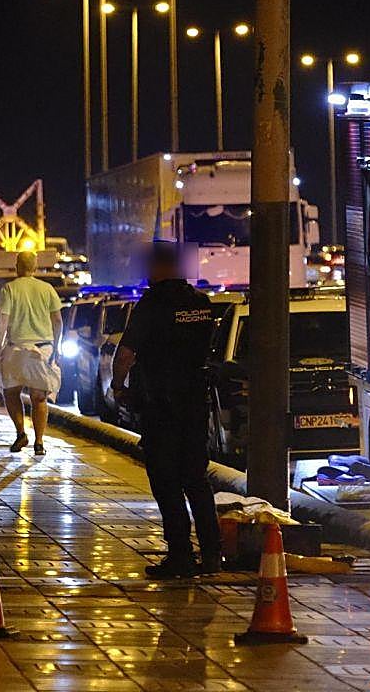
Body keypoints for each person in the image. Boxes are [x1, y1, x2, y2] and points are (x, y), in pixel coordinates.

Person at [111, 241, 222, 579]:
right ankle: (213, 555)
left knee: (167, 483)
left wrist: (118, 387)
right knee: (197, 480)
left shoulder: (152, 305)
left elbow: (126, 354)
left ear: (158, 268)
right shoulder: (201, 304)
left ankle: (181, 556)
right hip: (194, 404)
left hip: (161, 405)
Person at [0, 250, 64, 456]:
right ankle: (39, 442)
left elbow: (3, 320)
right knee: (39, 397)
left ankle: (21, 433)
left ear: (17, 266)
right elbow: (58, 321)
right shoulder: (47, 289)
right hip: (43, 348)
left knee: (10, 391)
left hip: (16, 348)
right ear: (35, 267)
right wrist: (57, 346)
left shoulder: (9, 289)